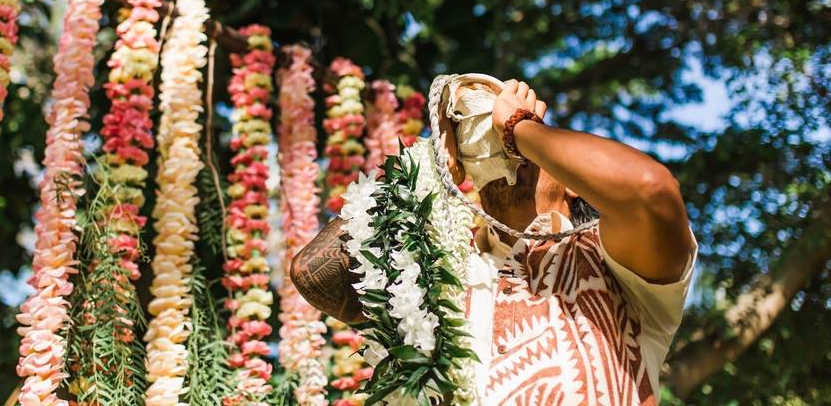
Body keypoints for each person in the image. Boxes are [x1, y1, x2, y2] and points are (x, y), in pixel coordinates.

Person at [291, 74, 697, 405]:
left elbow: (650, 192)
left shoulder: (620, 270)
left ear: (578, 185)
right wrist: (431, 170)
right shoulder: (448, 270)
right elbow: (312, 274)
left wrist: (521, 129)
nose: (497, 133)